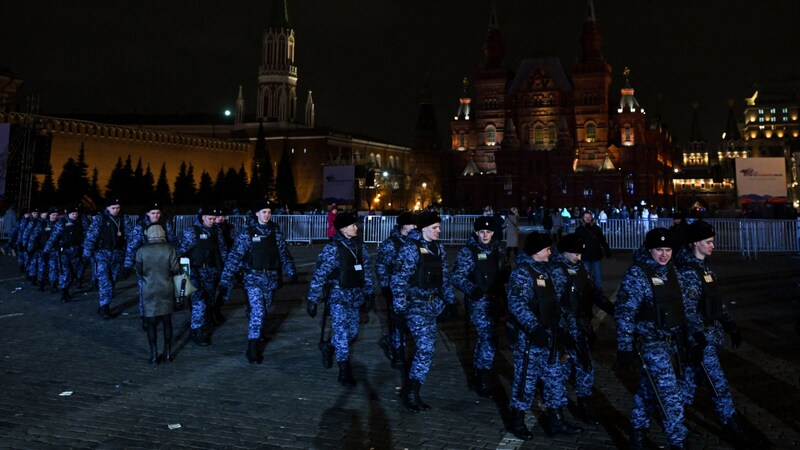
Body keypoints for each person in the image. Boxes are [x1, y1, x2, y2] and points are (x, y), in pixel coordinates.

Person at [675, 220, 756, 446]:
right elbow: (687, 309)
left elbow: (716, 302)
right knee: (717, 384)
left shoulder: (705, 268)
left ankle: (676, 419)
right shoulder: (689, 273)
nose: (713, 246)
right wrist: (698, 335)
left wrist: (730, 325)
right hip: (700, 339)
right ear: (695, 243)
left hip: (708, 335)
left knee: (688, 383)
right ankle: (731, 425)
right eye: (708, 242)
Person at [615, 227, 691, 450]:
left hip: (673, 343)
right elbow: (625, 313)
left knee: (648, 390)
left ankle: (637, 432)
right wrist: (625, 347)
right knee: (670, 396)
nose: (664, 254)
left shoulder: (672, 271)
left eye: (668, 249)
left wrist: (691, 334)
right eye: (659, 249)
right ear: (649, 250)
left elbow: (683, 306)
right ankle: (678, 441)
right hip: (650, 344)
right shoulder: (637, 275)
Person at [506, 231, 583, 440]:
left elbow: (557, 304)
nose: (551, 252)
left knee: (555, 378)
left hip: (551, 336)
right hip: (530, 338)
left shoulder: (549, 271)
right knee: (526, 381)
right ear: (536, 251)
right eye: (547, 248)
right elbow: (516, 303)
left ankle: (556, 421)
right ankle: (517, 421)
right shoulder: (522, 273)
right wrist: (534, 328)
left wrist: (564, 330)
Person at [391, 211, 456, 413]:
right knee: (425, 348)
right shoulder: (411, 249)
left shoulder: (439, 248)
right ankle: (411, 392)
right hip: (415, 306)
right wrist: (400, 309)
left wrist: (450, 302)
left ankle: (413, 390)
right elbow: (398, 280)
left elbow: (444, 277)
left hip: (432, 305)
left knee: (426, 350)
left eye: (439, 226)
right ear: (424, 228)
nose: (439, 230)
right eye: (435, 227)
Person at [219, 199, 297, 364]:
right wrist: (226, 278)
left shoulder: (275, 232)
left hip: (271, 279)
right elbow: (234, 257)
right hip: (252, 278)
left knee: (265, 308)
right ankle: (252, 348)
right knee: (258, 312)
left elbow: (283, 252)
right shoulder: (246, 234)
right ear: (256, 213)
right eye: (263, 212)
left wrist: (291, 271)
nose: (267, 215)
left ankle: (256, 329)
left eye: (269, 212)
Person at [551, 233, 615, 424]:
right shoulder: (556, 272)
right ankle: (556, 411)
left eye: (580, 254)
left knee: (585, 367)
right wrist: (561, 329)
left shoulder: (581, 270)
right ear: (563, 253)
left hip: (581, 327)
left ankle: (583, 403)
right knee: (558, 370)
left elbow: (593, 293)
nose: (578, 257)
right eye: (574, 254)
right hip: (563, 330)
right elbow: (552, 305)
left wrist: (613, 310)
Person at [306, 211, 375, 386]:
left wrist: (369, 292)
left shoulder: (360, 247)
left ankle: (328, 346)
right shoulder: (333, 249)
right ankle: (344, 371)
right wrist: (312, 299)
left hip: (355, 296)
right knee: (343, 334)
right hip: (338, 296)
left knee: (352, 333)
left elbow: (366, 271)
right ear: (343, 229)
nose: (356, 227)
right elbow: (320, 275)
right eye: (352, 225)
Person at [451, 216, 506, 398]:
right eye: (482, 232)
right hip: (478, 303)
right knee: (488, 338)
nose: (485, 235)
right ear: (476, 232)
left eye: (488, 232)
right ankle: (480, 378)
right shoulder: (468, 252)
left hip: (495, 302)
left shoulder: (497, 250)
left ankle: (480, 372)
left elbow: (504, 274)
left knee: (489, 340)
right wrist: (472, 290)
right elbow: (457, 276)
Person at [177, 205, 228, 346]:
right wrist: (180, 273)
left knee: (209, 301)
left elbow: (222, 251)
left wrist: (226, 269)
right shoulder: (192, 232)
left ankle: (202, 322)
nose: (213, 221)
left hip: (211, 271)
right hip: (195, 272)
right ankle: (196, 331)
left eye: (214, 219)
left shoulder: (217, 232)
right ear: (203, 217)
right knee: (199, 302)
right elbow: (181, 251)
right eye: (210, 218)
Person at [125, 202, 178, 327]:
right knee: (145, 291)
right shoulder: (141, 226)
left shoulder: (166, 225)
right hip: (146, 264)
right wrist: (127, 264)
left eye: (158, 213)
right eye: (153, 213)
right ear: (147, 214)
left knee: (164, 291)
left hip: (163, 263)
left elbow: (173, 243)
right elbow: (132, 247)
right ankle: (145, 317)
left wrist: (177, 259)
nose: (156, 216)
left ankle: (163, 313)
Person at [134, 224, 181, 365]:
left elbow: (139, 270)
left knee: (151, 324)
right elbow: (176, 269)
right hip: (166, 288)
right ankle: (167, 353)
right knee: (167, 322)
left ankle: (154, 355)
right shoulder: (169, 249)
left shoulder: (141, 250)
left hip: (149, 289)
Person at [375, 211, 416, 369]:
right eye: (412, 224)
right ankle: (398, 354)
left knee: (409, 323)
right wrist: (385, 285)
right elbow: (380, 266)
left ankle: (396, 343)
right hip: (397, 290)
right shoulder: (390, 244)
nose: (415, 227)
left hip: (413, 290)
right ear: (404, 226)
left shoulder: (416, 242)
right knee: (397, 323)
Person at [83, 198, 127, 319]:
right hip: (102, 254)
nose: (116, 210)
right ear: (107, 208)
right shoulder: (100, 219)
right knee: (104, 281)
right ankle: (104, 308)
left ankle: (104, 305)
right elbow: (91, 237)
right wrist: (87, 254)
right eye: (113, 208)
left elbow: (129, 236)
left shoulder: (123, 219)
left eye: (118, 208)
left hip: (117, 254)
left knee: (112, 280)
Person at [43, 204, 85, 302]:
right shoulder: (61, 223)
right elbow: (52, 238)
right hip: (64, 252)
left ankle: (66, 290)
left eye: (76, 213)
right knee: (65, 273)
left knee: (73, 273)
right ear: (68, 214)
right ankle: (63, 293)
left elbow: (83, 237)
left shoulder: (79, 222)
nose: (75, 215)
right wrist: (46, 251)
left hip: (76, 252)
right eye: (73, 213)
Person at [574, 210, 611, 292]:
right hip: (586, 255)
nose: (587, 219)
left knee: (597, 274)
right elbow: (576, 242)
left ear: (592, 218)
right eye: (586, 217)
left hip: (595, 254)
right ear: (583, 218)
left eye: (589, 217)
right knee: (587, 275)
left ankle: (598, 291)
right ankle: (588, 290)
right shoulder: (579, 230)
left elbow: (602, 240)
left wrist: (607, 250)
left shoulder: (597, 229)